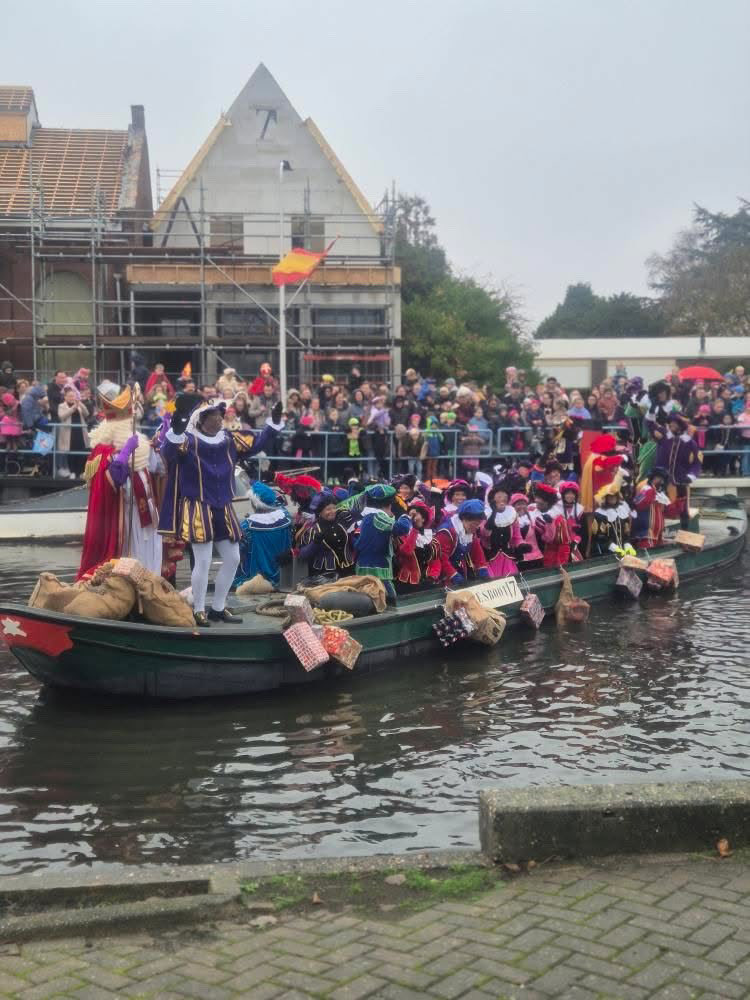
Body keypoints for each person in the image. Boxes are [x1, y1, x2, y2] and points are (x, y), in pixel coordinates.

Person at [158, 394, 283, 627]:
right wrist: (177, 425)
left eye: (220, 416)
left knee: (233, 558)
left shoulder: (227, 439)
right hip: (197, 505)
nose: (219, 420)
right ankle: (198, 609)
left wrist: (273, 423)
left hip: (223, 506)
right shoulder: (187, 441)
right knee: (203, 562)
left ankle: (218, 607)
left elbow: (256, 445)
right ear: (202, 420)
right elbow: (168, 453)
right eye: (214, 417)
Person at [77, 382, 163, 580]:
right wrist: (125, 453)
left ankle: (150, 587)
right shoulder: (104, 451)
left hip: (148, 511)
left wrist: (161, 442)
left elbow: (158, 469)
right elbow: (114, 479)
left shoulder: (141, 443)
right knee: (132, 555)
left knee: (152, 551)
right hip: (125, 514)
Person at [351, 483, 411, 604]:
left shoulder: (369, 516)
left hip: (367, 566)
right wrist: (404, 515)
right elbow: (402, 528)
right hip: (377, 569)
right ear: (389, 504)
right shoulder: (377, 516)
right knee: (390, 602)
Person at [234, 481, 292, 590]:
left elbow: (238, 553)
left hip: (254, 578)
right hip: (282, 575)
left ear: (254, 503)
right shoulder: (286, 519)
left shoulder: (246, 526)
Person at [653, 413, 701, 529]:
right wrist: (651, 410)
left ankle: (684, 537)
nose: (670, 426)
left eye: (674, 424)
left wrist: (690, 476)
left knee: (683, 511)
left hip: (681, 480)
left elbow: (696, 463)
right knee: (659, 509)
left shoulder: (690, 443)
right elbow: (650, 425)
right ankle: (658, 535)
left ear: (680, 426)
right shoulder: (664, 438)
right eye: (670, 424)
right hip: (662, 481)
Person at [430, 498, 490, 585]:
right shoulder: (447, 532)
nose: (476, 527)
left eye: (478, 524)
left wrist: (482, 569)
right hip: (444, 574)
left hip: (460, 571)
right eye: (474, 524)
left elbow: (477, 552)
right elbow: (441, 558)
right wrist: (453, 575)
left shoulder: (470, 530)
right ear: (464, 519)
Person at [296, 490, 355, 578]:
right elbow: (303, 555)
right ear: (319, 512)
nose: (332, 511)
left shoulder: (342, 525)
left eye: (334, 508)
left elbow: (352, 544)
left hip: (348, 571)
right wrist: (315, 543)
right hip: (325, 575)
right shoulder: (312, 529)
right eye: (328, 509)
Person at [394, 499, 439, 592]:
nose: (411, 518)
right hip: (406, 582)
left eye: (414, 515)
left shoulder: (431, 538)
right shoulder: (403, 536)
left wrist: (433, 576)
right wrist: (414, 530)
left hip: (426, 581)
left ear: (423, 518)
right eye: (409, 515)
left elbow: (436, 561)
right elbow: (407, 552)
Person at [480, 485, 523, 578]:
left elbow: (517, 536)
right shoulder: (485, 514)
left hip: (507, 558)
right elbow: (484, 534)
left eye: (504, 497)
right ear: (492, 499)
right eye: (499, 497)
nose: (502, 499)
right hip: (490, 558)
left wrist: (521, 546)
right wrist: (494, 513)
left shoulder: (512, 514)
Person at [632, 467, 673, 550]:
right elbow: (638, 504)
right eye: (658, 478)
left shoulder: (661, 494)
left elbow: (668, 511)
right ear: (652, 478)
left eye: (662, 479)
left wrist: (679, 502)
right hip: (646, 533)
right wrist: (651, 493)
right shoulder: (646, 489)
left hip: (658, 535)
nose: (661, 481)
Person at [56, 386, 91, 478]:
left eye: (73, 396)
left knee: (82, 451)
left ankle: (80, 472)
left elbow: (87, 414)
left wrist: (80, 405)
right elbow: (62, 416)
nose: (72, 398)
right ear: (65, 397)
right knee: (70, 452)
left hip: (80, 432)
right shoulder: (62, 406)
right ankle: (72, 472)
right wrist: (72, 408)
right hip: (68, 433)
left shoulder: (79, 404)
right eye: (70, 396)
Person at [510, 492, 544, 570]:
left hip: (536, 557)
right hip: (518, 559)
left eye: (523, 504)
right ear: (513, 506)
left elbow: (544, 534)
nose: (521, 506)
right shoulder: (509, 521)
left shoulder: (533, 518)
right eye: (518, 504)